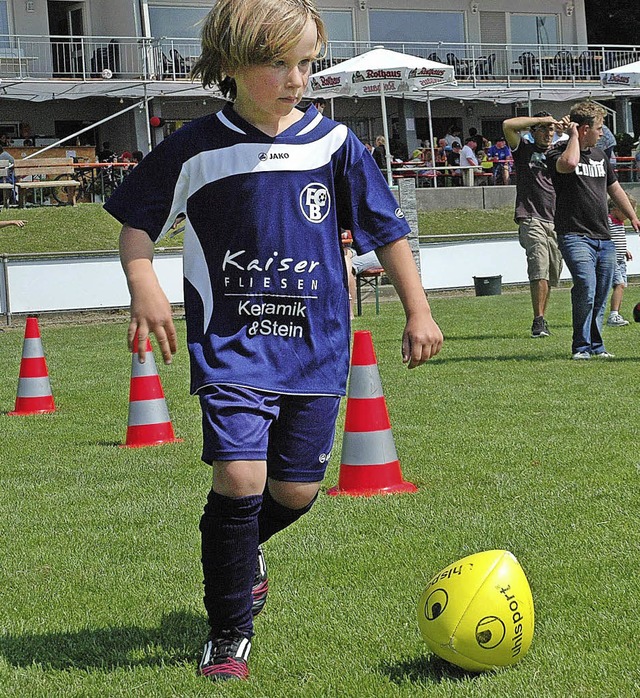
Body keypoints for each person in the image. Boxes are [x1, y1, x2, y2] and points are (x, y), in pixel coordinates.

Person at [105, 0, 443, 683]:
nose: (296, 78)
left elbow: (387, 231)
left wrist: (419, 311)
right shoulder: (197, 146)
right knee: (240, 477)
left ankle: (237, 552)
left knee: (294, 492)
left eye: (307, 63)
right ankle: (229, 635)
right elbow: (137, 226)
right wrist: (142, 281)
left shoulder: (334, 143)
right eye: (277, 63)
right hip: (232, 341)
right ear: (231, 64)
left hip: (317, 346)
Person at [546, 101, 640, 360]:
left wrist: (633, 217)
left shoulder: (600, 156)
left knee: (601, 291)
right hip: (574, 234)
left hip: (604, 236)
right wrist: (572, 135)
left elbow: (615, 189)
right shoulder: (557, 152)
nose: (602, 133)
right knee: (586, 286)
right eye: (598, 128)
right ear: (584, 129)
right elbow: (570, 163)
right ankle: (581, 346)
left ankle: (596, 346)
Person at [503, 111, 564, 338]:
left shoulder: (559, 152)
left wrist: (566, 128)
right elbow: (508, 124)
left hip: (556, 220)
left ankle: (542, 319)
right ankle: (538, 321)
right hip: (531, 217)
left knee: (551, 272)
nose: (548, 133)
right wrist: (543, 120)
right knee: (539, 267)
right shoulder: (524, 150)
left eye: (551, 129)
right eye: (543, 128)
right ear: (533, 130)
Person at [606, 195, 636, 326]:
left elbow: (618, 239)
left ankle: (616, 313)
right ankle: (613, 315)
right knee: (619, 284)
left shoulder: (619, 223)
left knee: (621, 286)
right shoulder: (608, 221)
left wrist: (625, 250)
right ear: (616, 208)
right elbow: (607, 238)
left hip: (620, 260)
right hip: (611, 259)